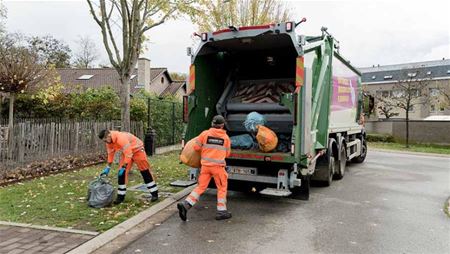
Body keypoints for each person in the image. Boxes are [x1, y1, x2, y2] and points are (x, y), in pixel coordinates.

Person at [177, 115, 232, 221]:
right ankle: (222, 211)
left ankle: (186, 204)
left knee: (201, 187)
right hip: (218, 168)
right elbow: (228, 154)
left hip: (205, 167)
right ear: (222, 125)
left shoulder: (204, 134)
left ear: (212, 123)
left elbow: (196, 147)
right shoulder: (225, 138)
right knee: (221, 188)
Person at [98, 129, 158, 204]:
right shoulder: (109, 142)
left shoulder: (121, 138)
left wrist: (124, 167)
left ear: (109, 136)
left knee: (144, 170)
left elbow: (129, 153)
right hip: (126, 152)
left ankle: (154, 193)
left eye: (105, 140)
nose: (105, 142)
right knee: (121, 174)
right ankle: (120, 197)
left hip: (137, 149)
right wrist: (108, 167)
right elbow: (110, 154)